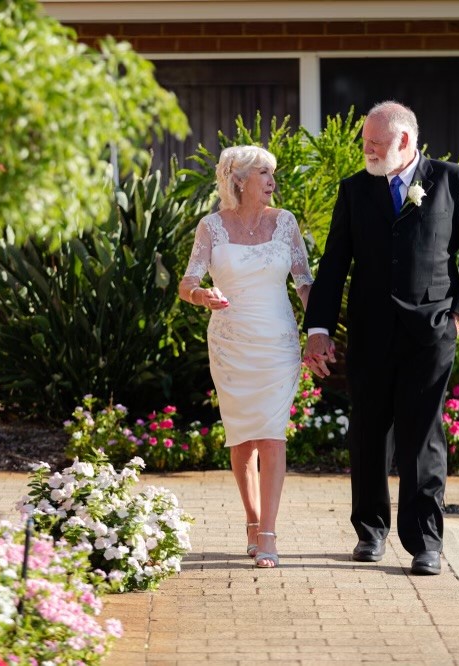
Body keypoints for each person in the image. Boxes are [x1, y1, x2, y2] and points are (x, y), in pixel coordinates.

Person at [302, 101, 459, 575]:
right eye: (365, 142)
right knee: (367, 433)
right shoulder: (354, 190)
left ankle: (425, 542)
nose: (367, 150)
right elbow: (333, 265)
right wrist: (319, 329)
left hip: (430, 334)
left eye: (376, 144)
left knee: (422, 437)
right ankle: (370, 531)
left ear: (405, 141)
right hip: (368, 333)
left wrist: (457, 320)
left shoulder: (452, 181)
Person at [179, 144, 314, 569]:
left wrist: (320, 332)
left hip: (277, 342)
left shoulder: (286, 223)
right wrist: (202, 295)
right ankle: (252, 522)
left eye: (273, 174)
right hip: (231, 342)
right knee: (242, 439)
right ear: (239, 180)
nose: (273, 181)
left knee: (272, 435)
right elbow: (187, 282)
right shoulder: (211, 227)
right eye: (264, 174)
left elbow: (305, 283)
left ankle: (269, 534)